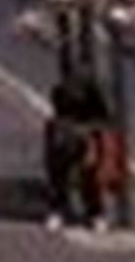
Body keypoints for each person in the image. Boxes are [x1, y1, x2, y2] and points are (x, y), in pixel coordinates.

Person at [43, 69, 113, 231]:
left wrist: (86, 131)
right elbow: (56, 115)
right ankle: (59, 211)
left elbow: (103, 119)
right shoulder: (59, 91)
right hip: (64, 140)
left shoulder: (93, 97)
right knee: (59, 176)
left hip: (87, 140)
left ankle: (95, 214)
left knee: (89, 177)